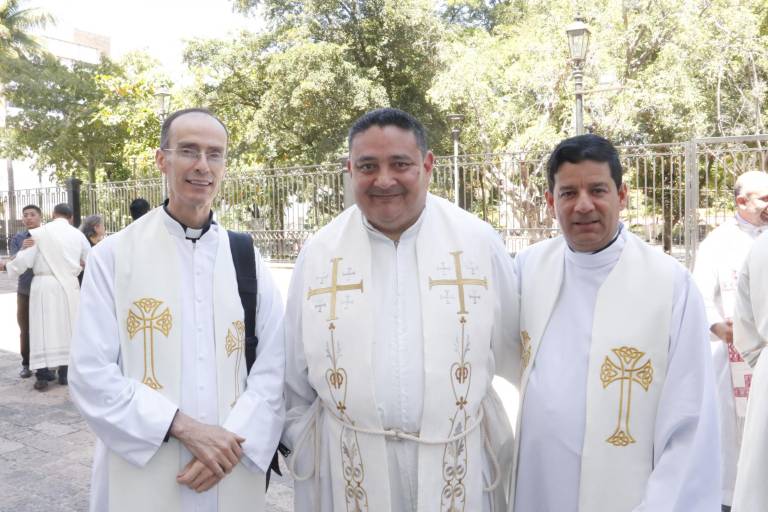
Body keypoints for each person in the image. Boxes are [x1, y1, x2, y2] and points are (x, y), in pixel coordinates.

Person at [282, 108, 519, 512]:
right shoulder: (320, 252)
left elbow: (514, 350)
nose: (384, 179)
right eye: (368, 166)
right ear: (349, 170)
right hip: (349, 467)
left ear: (427, 166)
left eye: (400, 164)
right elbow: (294, 375)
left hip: (456, 461)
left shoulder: (478, 242)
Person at [68, 108, 284, 512]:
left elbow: (274, 364)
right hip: (148, 460)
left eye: (214, 154)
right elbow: (90, 373)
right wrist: (183, 428)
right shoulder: (114, 256)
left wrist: (229, 443)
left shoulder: (246, 257)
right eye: (189, 151)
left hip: (229, 461)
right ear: (162, 159)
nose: (202, 166)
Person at [511, 134, 720, 511]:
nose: (583, 205)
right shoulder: (527, 270)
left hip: (630, 496)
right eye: (568, 193)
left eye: (598, 190)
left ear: (621, 195)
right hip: (537, 485)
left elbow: (691, 415)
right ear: (550, 201)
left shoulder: (669, 284)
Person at [692, 170, 768, 511]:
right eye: (764, 199)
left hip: (759, 355)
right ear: (741, 201)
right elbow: (700, 296)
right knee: (735, 441)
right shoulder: (717, 243)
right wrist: (722, 330)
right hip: (730, 360)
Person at [2, 203, 90, 390]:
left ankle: (42, 376)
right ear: (71, 218)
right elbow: (89, 260)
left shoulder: (41, 233)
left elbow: (25, 260)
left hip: (44, 285)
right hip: (69, 286)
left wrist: (6, 266)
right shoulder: (78, 235)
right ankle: (65, 374)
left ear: (52, 214)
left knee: (42, 328)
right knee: (67, 328)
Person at [9, 204, 42, 378]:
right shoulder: (18, 237)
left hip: (44, 289)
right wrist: (22, 249)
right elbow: (12, 262)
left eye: (32, 214)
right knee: (25, 328)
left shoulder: (47, 235)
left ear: (40, 217)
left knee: (44, 327)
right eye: (25, 215)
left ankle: (45, 365)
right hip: (25, 291)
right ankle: (26, 364)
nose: (28, 218)